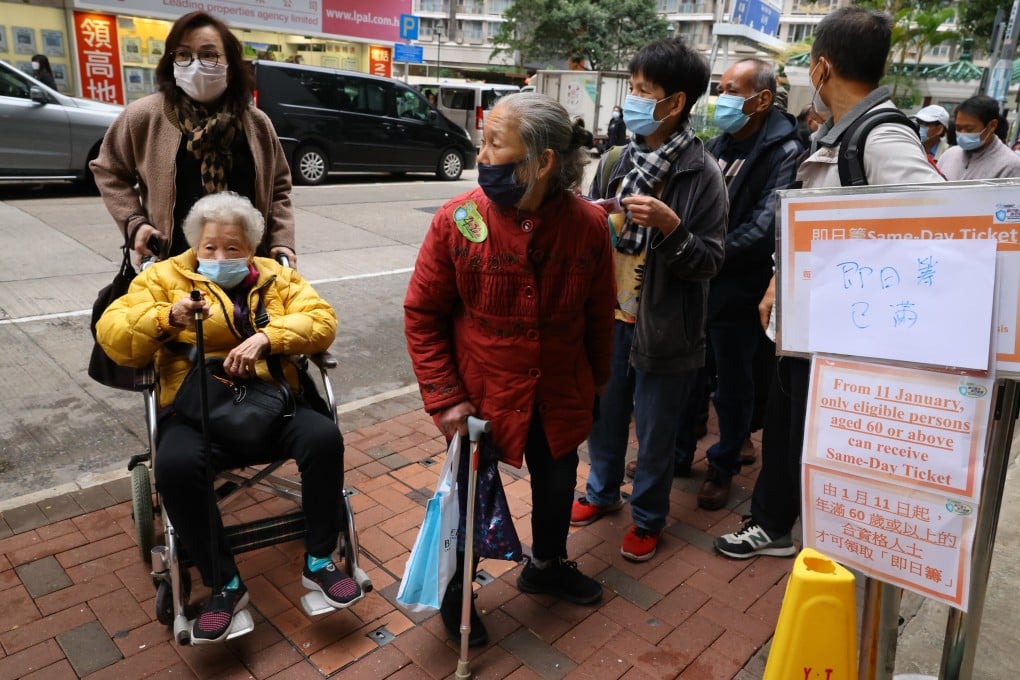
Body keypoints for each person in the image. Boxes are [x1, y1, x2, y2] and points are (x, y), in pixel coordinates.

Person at [715, 6, 943, 560]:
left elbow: (936, 231)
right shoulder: (839, 136)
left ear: (820, 69)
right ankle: (773, 525)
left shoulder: (881, 138)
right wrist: (778, 282)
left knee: (816, 433)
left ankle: (821, 537)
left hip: (849, 331)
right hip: (813, 322)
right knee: (786, 425)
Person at [95, 192, 361, 643]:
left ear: (252, 247)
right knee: (175, 465)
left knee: (323, 438)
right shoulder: (162, 279)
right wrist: (168, 317)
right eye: (210, 247)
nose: (220, 256)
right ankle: (224, 584)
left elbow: (322, 320)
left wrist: (269, 339)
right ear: (194, 244)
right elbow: (114, 334)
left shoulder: (278, 277)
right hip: (195, 409)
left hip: (271, 401)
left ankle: (318, 561)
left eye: (233, 248)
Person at [404, 92, 616, 646]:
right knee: (470, 501)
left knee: (556, 481)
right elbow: (423, 315)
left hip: (560, 388)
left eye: (495, 143)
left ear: (542, 161)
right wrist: (447, 397)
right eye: (484, 141)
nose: (483, 154)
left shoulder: (590, 225)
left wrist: (596, 381)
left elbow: (600, 313)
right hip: (480, 392)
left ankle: (546, 565)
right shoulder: (457, 221)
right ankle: (458, 591)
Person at [570, 38, 727, 562]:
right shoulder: (616, 158)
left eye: (643, 91)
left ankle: (647, 518)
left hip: (665, 326)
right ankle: (600, 492)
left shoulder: (702, 173)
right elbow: (588, 230)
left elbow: (709, 260)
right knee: (604, 415)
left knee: (656, 431)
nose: (631, 100)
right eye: (631, 89)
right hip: (609, 314)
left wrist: (671, 227)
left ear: (674, 103)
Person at [672, 58, 802, 511]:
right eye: (721, 87)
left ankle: (723, 466)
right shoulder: (717, 143)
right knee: (689, 376)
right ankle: (679, 453)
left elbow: (766, 225)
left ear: (761, 98)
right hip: (701, 282)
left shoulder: (785, 150)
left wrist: (702, 252)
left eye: (731, 89)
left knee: (733, 383)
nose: (721, 97)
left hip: (740, 288)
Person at [90, 11, 296, 266]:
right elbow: (108, 169)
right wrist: (135, 223)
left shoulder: (256, 123)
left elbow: (279, 188)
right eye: (184, 54)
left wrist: (282, 240)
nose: (196, 64)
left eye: (209, 54)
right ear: (171, 61)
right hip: (172, 267)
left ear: (230, 65)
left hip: (247, 267)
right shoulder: (144, 116)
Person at [938, 95, 1020, 180]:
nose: (962, 133)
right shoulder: (949, 155)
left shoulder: (1010, 166)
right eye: (958, 128)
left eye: (969, 129)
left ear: (992, 125)